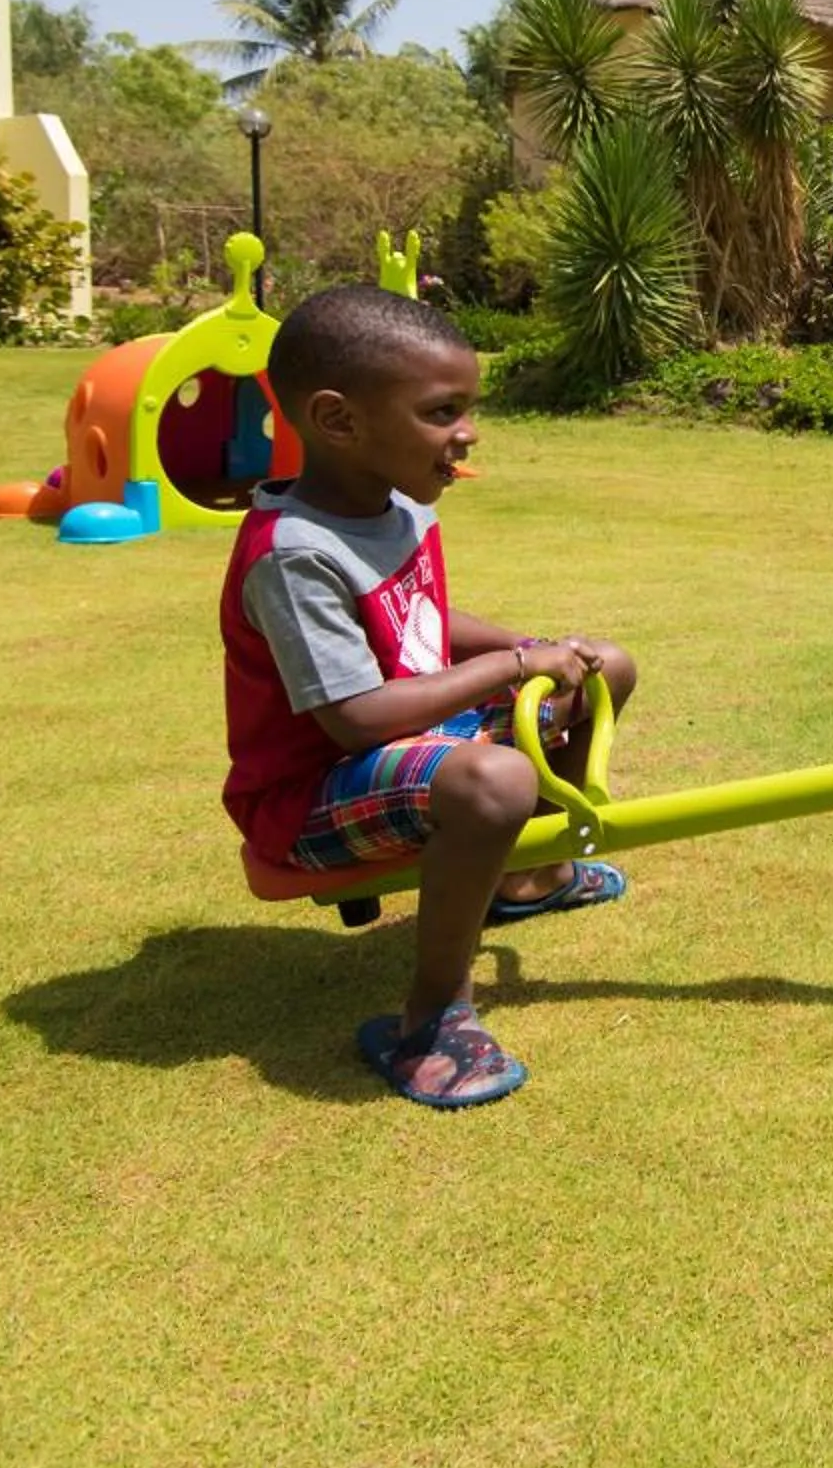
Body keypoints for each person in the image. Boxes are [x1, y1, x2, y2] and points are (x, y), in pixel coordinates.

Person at [222, 285, 639, 1111]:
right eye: (441, 411)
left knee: (607, 670)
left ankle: (531, 879)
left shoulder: (396, 507)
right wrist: (516, 667)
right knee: (496, 782)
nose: (467, 432)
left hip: (400, 745)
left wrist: (542, 651)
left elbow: (422, 619)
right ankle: (429, 1017)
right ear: (340, 421)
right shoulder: (295, 555)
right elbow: (357, 718)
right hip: (310, 792)